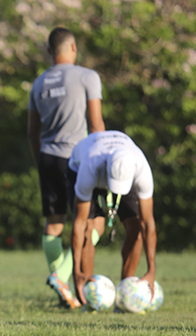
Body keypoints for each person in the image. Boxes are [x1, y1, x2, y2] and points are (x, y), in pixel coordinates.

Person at [27, 27, 105, 309]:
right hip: (79, 159)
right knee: (96, 220)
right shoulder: (87, 76)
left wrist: (40, 163)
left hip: (47, 156)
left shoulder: (38, 83)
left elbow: (32, 133)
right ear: (73, 48)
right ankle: (61, 277)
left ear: (49, 51)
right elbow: (95, 125)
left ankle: (64, 290)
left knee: (54, 223)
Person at [68, 131, 157, 306]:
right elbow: (79, 222)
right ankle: (87, 294)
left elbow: (148, 223)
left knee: (136, 228)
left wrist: (151, 270)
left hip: (121, 170)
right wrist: (75, 270)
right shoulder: (90, 167)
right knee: (89, 227)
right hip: (79, 167)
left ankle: (125, 293)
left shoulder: (141, 169)